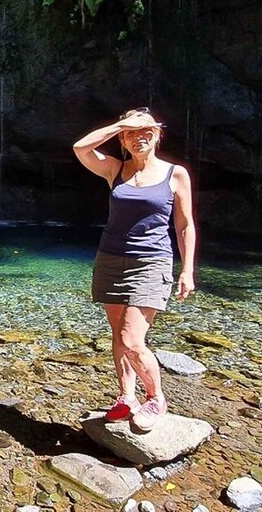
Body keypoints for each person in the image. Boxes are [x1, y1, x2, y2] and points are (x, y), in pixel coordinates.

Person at [72, 107, 196, 431]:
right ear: (123, 139)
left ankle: (156, 397)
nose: (139, 137)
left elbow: (184, 226)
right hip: (111, 259)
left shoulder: (175, 174)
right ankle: (127, 395)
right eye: (131, 133)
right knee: (118, 336)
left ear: (157, 135)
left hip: (152, 262)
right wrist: (119, 125)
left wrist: (187, 270)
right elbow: (80, 148)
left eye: (146, 131)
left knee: (131, 338)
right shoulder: (116, 170)